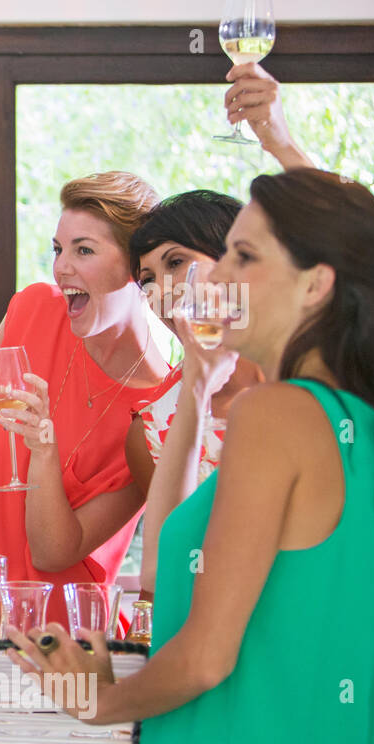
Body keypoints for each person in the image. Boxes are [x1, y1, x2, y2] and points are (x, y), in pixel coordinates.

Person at [9, 168, 374, 744]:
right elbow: (172, 577)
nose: (211, 282)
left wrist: (99, 700)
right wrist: (197, 385)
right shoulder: (360, 422)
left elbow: (206, 655)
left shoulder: (275, 414)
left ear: (316, 284)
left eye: (244, 258)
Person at [0, 172, 171, 628]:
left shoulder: (156, 410)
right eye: (59, 249)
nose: (61, 267)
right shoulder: (35, 310)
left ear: (137, 267)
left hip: (60, 640)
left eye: (84, 250)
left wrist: (44, 451)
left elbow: (55, 552)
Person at [125, 191, 265, 598]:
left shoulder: (308, 380)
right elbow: (162, 579)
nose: (161, 289)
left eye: (176, 262)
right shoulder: (151, 431)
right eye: (147, 279)